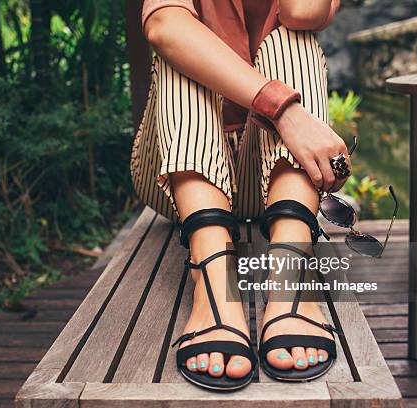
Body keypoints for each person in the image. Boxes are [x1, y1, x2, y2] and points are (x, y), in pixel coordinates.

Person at [130, 0, 348, 390]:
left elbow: (302, 12)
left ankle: (291, 278)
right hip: (181, 174)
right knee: (180, 38)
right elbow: (163, 25)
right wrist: (282, 110)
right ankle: (214, 289)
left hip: (271, 171)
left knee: (293, 38)